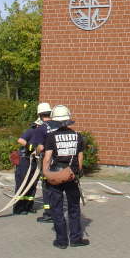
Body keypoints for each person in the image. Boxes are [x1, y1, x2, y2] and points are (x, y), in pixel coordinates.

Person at [42, 105, 89, 249]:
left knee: (57, 208)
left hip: (56, 175)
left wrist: (45, 173)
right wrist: (77, 172)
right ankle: (75, 239)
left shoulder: (51, 136)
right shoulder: (77, 136)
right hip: (71, 176)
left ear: (55, 121)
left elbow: (47, 158)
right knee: (74, 208)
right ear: (68, 120)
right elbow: (80, 158)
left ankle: (61, 241)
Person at [30, 102, 58, 223]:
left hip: (48, 162)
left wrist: (35, 152)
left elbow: (40, 148)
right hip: (61, 162)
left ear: (40, 115)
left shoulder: (41, 128)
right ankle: (57, 211)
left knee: (47, 188)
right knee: (57, 188)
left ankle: (49, 214)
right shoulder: (59, 125)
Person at [13, 116, 43, 215]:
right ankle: (18, 208)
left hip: (35, 161)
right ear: (37, 124)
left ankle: (28, 206)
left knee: (32, 184)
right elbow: (20, 140)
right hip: (25, 160)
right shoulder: (31, 131)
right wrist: (30, 146)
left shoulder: (42, 134)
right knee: (22, 183)